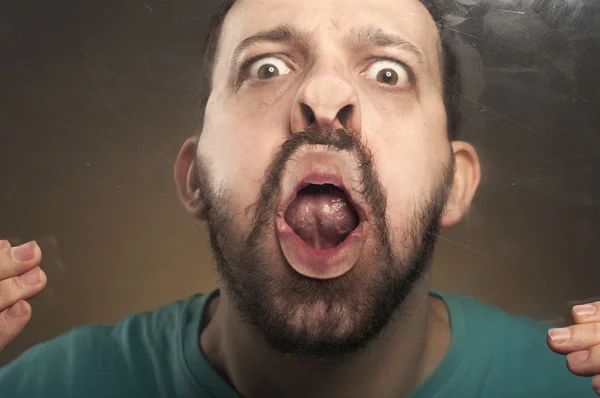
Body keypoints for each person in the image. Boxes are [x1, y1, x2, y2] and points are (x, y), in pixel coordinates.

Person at [0, 0, 599, 396]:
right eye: (265, 66)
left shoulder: (573, 384)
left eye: (389, 72)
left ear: (456, 182)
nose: (324, 94)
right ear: (194, 177)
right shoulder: (47, 387)